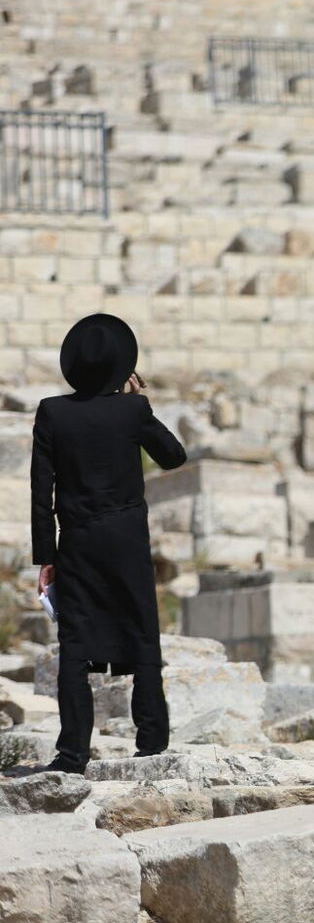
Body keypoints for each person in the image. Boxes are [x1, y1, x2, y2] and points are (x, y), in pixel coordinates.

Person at [32, 314, 187, 774]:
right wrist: (142, 404)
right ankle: (152, 742)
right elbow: (174, 457)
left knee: (75, 645)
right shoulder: (133, 411)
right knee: (142, 632)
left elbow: (42, 491)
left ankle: (72, 753)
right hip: (126, 540)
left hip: (77, 541)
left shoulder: (52, 411)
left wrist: (45, 558)